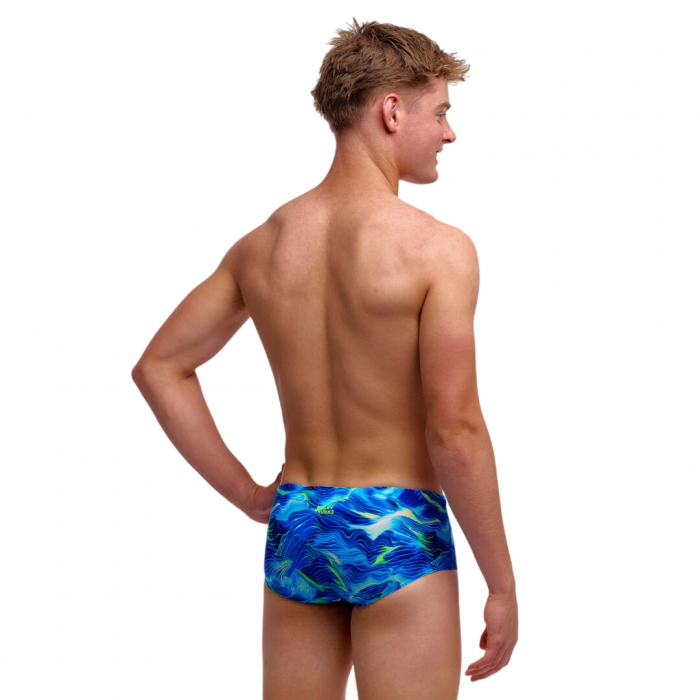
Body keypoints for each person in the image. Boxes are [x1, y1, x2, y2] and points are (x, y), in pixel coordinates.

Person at [132, 17, 518, 699]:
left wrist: (250, 495)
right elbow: (454, 429)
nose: (450, 134)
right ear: (391, 111)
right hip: (396, 530)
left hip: (300, 526)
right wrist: (502, 584)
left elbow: (160, 367)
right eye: (440, 113)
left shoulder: (265, 245)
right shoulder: (437, 250)